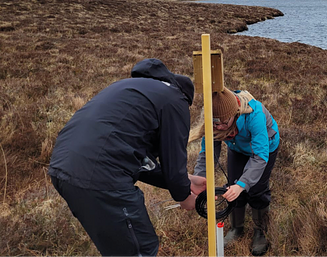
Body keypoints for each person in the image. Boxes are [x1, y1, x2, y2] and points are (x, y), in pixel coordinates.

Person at [48, 58, 207, 257]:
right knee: (140, 248)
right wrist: (184, 196)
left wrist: (187, 180)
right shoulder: (175, 100)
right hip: (102, 176)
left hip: (63, 169)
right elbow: (173, 161)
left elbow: (138, 161)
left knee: (119, 248)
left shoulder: (127, 88)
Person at [190, 87, 280, 256]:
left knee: (257, 189)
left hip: (264, 148)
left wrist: (243, 184)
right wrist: (199, 179)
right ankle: (236, 227)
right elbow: (207, 154)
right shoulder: (214, 122)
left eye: (224, 123)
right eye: (215, 124)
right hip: (238, 148)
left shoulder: (255, 115)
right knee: (233, 184)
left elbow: (260, 157)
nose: (220, 126)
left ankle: (260, 232)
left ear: (235, 113)